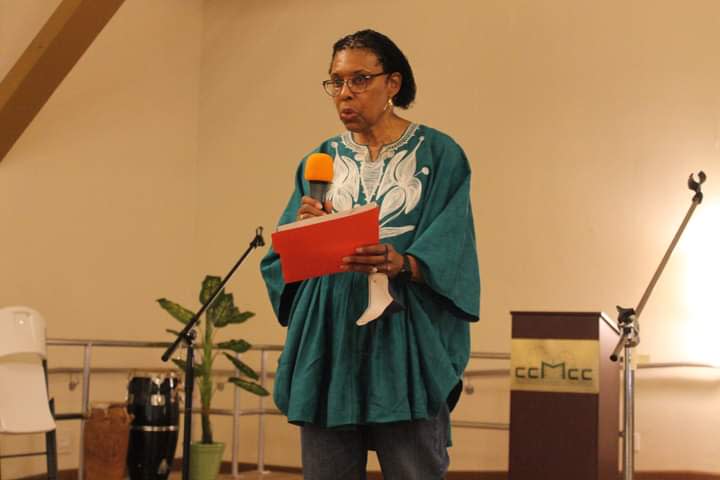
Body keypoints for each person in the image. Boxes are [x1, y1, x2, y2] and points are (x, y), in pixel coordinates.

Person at [260, 29, 480, 480]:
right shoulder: (318, 159)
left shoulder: (441, 155)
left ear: (393, 84)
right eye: (335, 82)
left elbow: (453, 245)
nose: (344, 94)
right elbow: (281, 260)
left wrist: (403, 262)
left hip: (404, 340)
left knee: (414, 470)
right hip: (330, 340)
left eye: (359, 80)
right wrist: (304, 233)